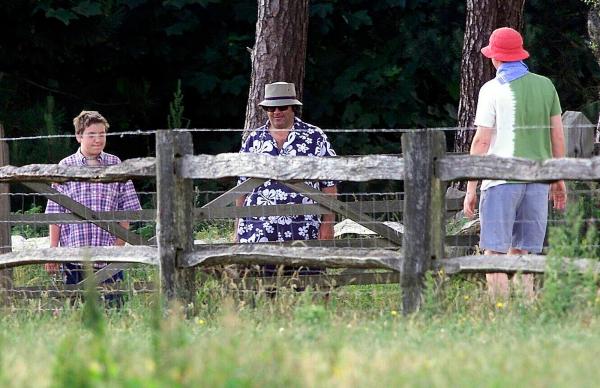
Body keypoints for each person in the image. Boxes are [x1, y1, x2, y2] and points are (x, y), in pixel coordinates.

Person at [463, 27, 567, 299]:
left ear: (495, 58)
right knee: (524, 250)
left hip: (500, 181)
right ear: (519, 55)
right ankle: (527, 306)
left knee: (494, 250)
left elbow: (481, 142)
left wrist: (471, 188)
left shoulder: (491, 90)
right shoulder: (546, 85)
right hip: (537, 181)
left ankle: (501, 310)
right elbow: (557, 136)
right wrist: (558, 178)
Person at [236, 82, 337, 277]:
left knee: (310, 290)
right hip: (259, 231)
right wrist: (238, 227)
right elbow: (241, 187)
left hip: (304, 228)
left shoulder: (314, 137)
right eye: (270, 108)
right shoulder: (254, 139)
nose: (276, 112)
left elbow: (329, 184)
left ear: (293, 108)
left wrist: (328, 224)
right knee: (262, 291)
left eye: (282, 107)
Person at [45, 111, 141, 287]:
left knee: (113, 310)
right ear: (79, 136)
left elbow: (127, 209)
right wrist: (54, 249)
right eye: (92, 135)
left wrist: (117, 247)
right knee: (76, 309)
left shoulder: (115, 164)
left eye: (102, 134)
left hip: (108, 255)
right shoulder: (65, 166)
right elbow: (55, 212)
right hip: (74, 254)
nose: (98, 139)